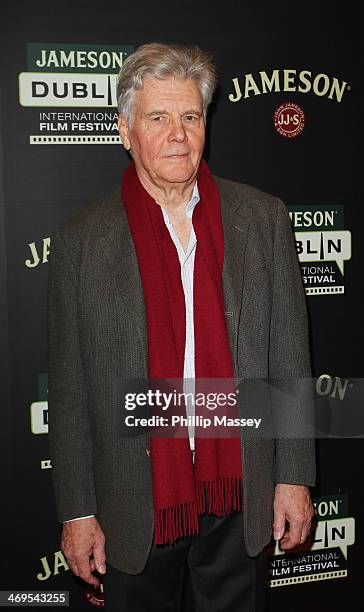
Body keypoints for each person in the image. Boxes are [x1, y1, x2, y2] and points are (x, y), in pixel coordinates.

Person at [47, 43, 315, 611]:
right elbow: (69, 395)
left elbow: (289, 358)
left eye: (191, 116)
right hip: (133, 502)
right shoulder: (81, 241)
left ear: (205, 126)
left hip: (239, 488)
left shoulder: (261, 219)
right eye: (158, 117)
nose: (178, 133)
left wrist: (293, 476)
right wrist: (77, 510)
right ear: (125, 131)